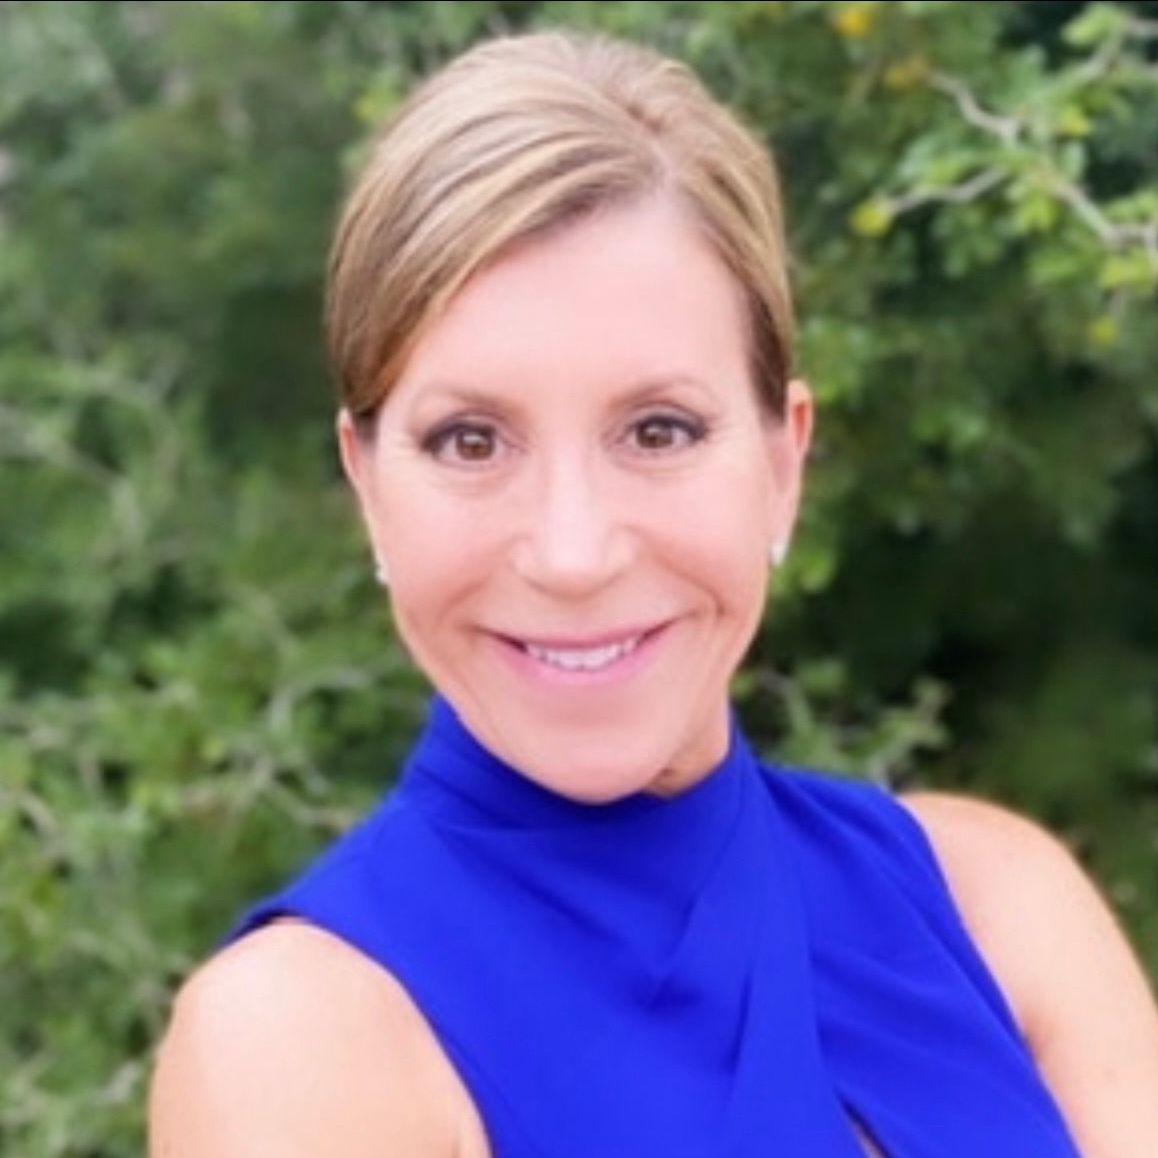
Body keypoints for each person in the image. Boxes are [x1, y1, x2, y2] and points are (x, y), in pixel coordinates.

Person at [148, 29, 1158, 1157]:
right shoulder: (301, 1038)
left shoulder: (998, 903)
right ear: (370, 489)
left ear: (783, 465)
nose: (572, 553)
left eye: (658, 430)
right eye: (471, 440)